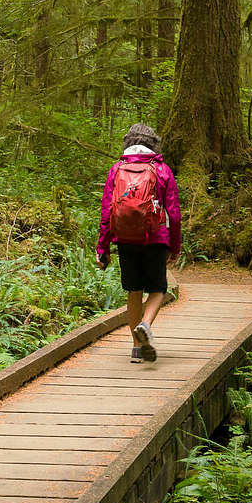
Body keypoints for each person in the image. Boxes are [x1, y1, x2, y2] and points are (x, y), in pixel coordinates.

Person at [96, 123, 182, 363]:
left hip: (125, 239)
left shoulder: (116, 170)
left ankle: (136, 348)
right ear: (153, 144)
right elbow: (173, 213)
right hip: (156, 239)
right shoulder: (162, 170)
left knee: (133, 290)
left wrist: (103, 247)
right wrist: (175, 245)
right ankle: (145, 324)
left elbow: (106, 213)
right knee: (158, 289)